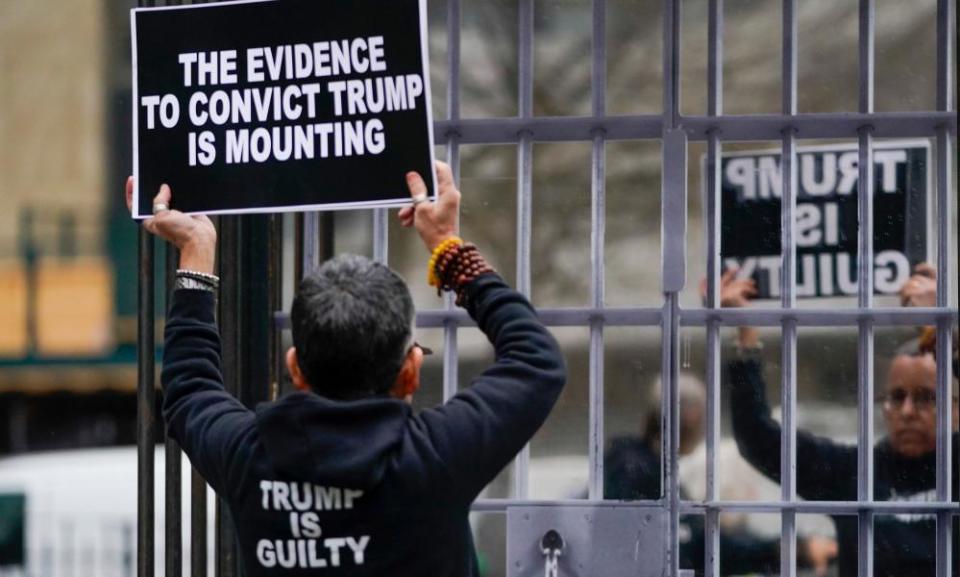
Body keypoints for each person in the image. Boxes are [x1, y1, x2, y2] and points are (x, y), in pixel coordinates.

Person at [126, 162, 567, 576]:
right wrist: (447, 247)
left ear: (295, 368)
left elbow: (188, 388)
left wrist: (196, 252)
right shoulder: (435, 459)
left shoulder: (249, 458)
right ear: (410, 372)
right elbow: (537, 362)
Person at [721, 266, 959, 577]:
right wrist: (746, 331)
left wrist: (944, 332)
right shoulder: (857, 472)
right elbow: (758, 438)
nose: (907, 411)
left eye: (926, 397)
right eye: (897, 397)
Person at [604, 373, 837, 576]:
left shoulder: (632, 464)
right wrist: (791, 550)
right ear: (693, 416)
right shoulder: (641, 473)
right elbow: (701, 548)